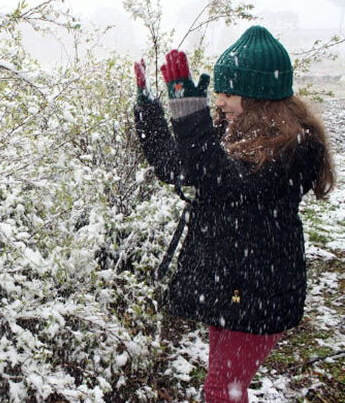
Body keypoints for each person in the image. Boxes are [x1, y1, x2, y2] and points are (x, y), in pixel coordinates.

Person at [133, 25, 336, 402]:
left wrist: (189, 113)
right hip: (228, 284)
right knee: (226, 387)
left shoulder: (292, 149)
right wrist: (150, 109)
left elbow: (227, 184)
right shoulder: (232, 131)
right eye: (218, 92)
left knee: (221, 390)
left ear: (259, 97)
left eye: (229, 93)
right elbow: (176, 167)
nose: (220, 100)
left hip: (260, 289)